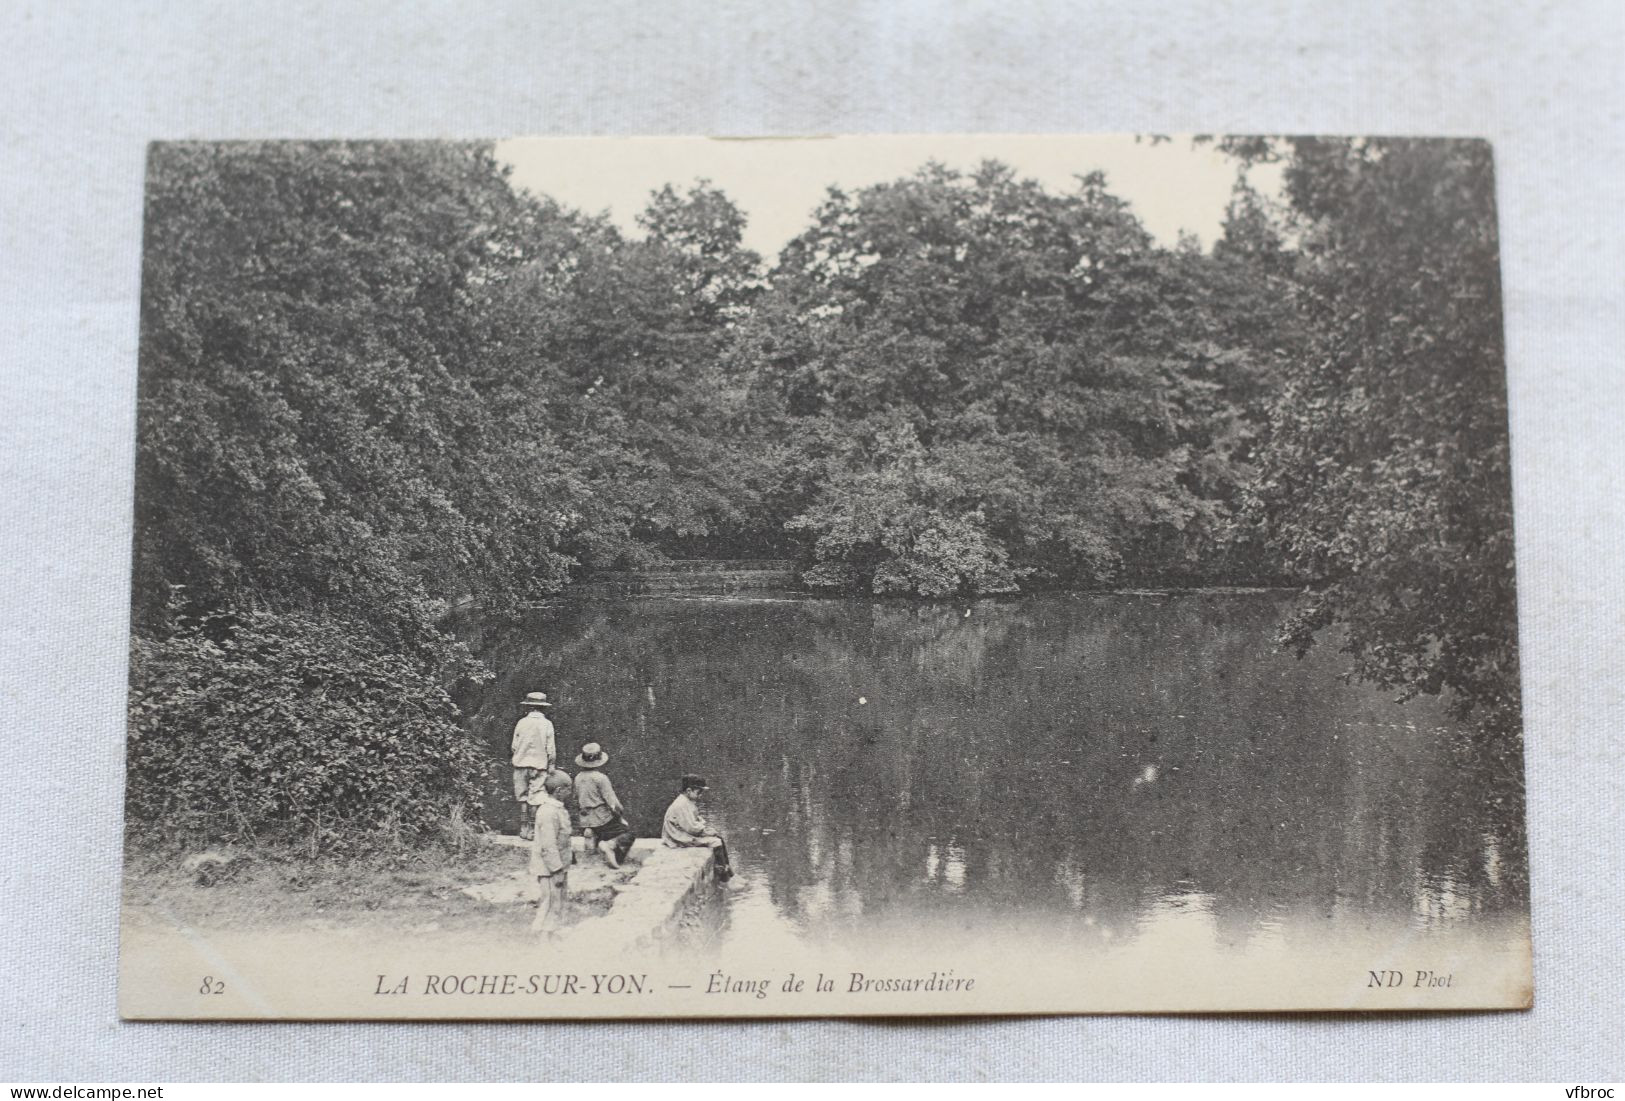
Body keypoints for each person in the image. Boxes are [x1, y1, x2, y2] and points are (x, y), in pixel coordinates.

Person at [528, 769, 575, 938]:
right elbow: (548, 845)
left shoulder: (557, 809)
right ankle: (542, 934)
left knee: (559, 900)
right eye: (568, 789)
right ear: (558, 791)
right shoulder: (548, 812)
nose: (570, 792)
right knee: (550, 901)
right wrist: (556, 869)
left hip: (559, 865)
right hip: (549, 869)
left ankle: (552, 931)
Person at [574, 742, 635, 869]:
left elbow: (576, 798)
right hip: (601, 818)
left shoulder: (578, 778)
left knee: (596, 830)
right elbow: (613, 803)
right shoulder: (601, 778)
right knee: (628, 833)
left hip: (585, 818)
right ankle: (610, 845)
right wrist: (620, 816)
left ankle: (591, 835)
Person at [661, 774, 733, 881]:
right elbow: (691, 827)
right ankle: (723, 876)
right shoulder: (681, 805)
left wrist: (705, 829)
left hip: (683, 832)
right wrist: (705, 832)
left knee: (719, 837)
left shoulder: (687, 802)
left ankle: (727, 869)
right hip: (677, 837)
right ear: (689, 791)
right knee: (716, 842)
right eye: (698, 792)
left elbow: (696, 820)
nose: (700, 795)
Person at [510, 691, 556, 840]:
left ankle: (523, 829)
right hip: (539, 765)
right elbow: (551, 748)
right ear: (543, 708)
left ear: (529, 707)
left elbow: (514, 746)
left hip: (521, 763)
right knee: (535, 797)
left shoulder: (521, 722)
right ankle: (532, 830)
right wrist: (551, 764)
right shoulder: (547, 724)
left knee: (522, 797)